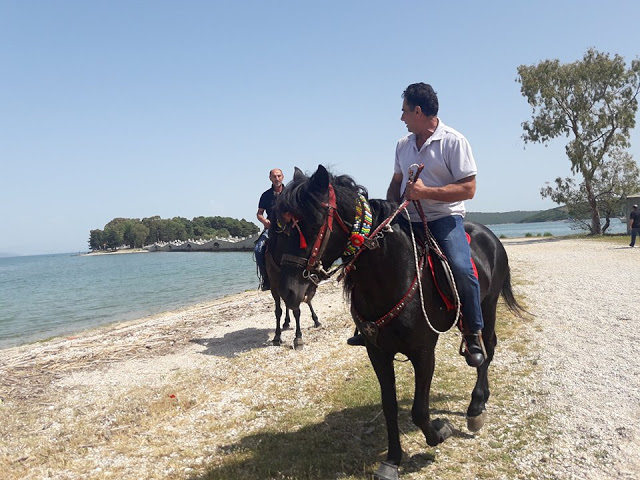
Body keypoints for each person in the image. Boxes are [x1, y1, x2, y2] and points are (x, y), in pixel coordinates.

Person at [387, 82, 485, 367]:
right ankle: (369, 325)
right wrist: (390, 210)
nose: (401, 117)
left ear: (418, 111)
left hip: (444, 218)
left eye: (404, 111)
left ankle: (472, 332)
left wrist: (426, 193)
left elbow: (468, 189)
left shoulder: (454, 141)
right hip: (406, 218)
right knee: (371, 256)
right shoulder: (402, 145)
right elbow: (395, 183)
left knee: (461, 269)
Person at [255, 168, 285, 291]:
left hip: (288, 226)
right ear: (270, 178)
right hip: (271, 227)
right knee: (258, 249)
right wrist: (264, 221)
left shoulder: (290, 192)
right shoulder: (265, 195)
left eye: (278, 176)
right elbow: (259, 213)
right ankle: (266, 278)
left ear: (282, 177)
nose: (276, 179)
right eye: (274, 177)